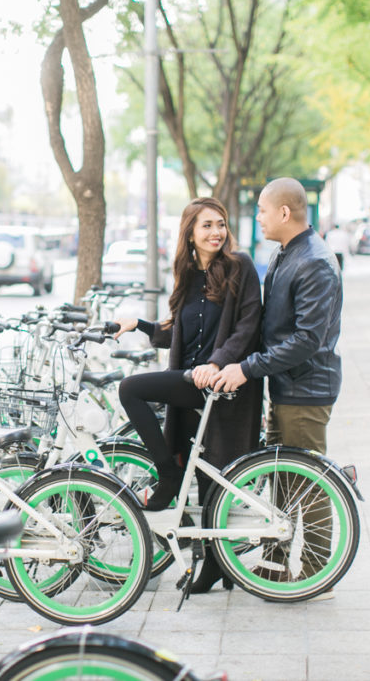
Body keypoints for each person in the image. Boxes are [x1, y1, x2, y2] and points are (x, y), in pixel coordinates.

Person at [113, 197, 262, 593]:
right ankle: (215, 564)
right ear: (190, 234)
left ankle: (168, 474)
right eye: (207, 226)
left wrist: (217, 363)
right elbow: (176, 331)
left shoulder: (239, 267)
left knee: (132, 389)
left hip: (221, 382)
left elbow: (248, 326)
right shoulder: (187, 274)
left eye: (221, 224)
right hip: (191, 382)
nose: (216, 232)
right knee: (206, 470)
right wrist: (140, 324)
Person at [212, 179, 343, 588]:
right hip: (287, 386)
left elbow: (308, 339)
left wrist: (248, 368)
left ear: (285, 213)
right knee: (282, 477)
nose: (258, 218)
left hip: (306, 390)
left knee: (310, 484)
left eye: (263, 211)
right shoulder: (289, 252)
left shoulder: (315, 262)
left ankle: (318, 575)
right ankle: (275, 562)